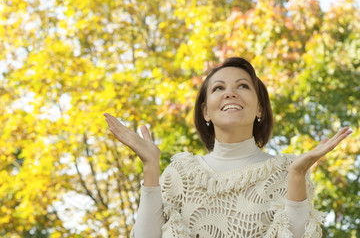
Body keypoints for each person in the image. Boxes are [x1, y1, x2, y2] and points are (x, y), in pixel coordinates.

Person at [104, 57, 352, 238]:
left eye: (243, 86)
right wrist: (150, 167)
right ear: (205, 111)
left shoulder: (288, 171)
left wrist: (297, 176)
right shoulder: (178, 175)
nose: (230, 93)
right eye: (218, 88)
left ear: (259, 109)